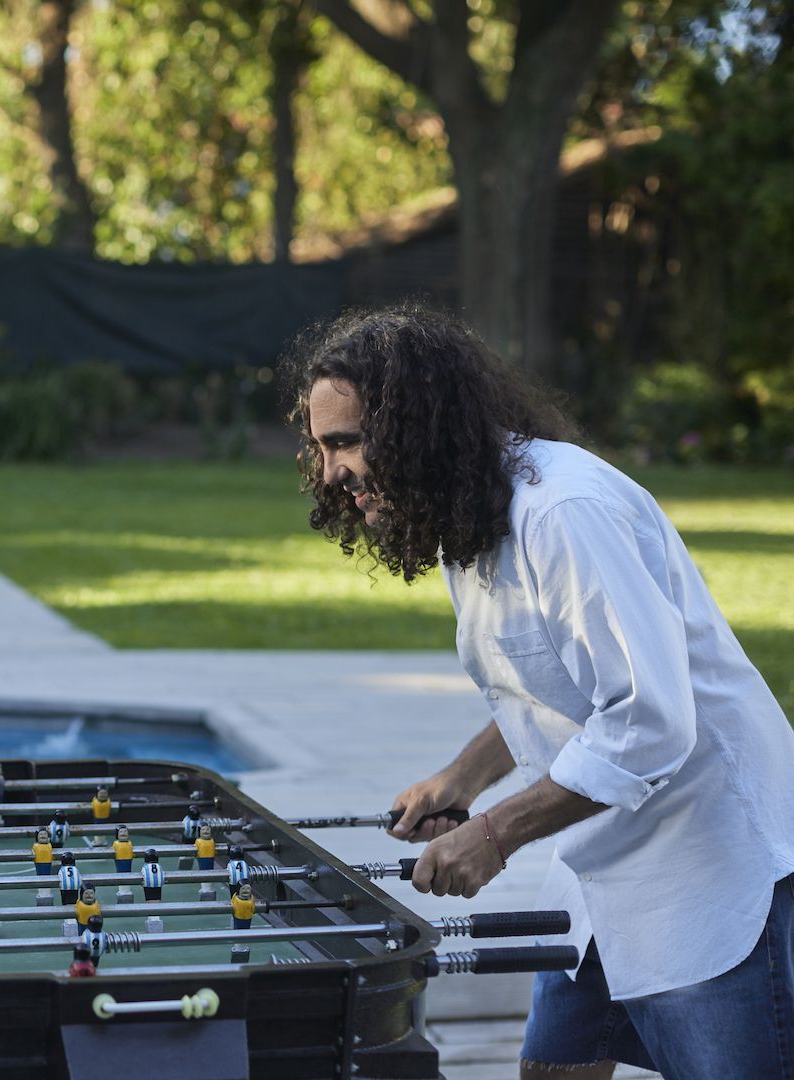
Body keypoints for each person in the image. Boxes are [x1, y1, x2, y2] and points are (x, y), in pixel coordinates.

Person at [290, 305, 794, 1079]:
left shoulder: (564, 512)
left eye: (345, 442)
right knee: (552, 1071)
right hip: (599, 865)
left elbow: (649, 722)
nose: (331, 474)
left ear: (418, 424)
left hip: (705, 863)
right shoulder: (465, 513)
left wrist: (495, 834)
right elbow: (555, 683)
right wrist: (463, 777)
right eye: (322, 448)